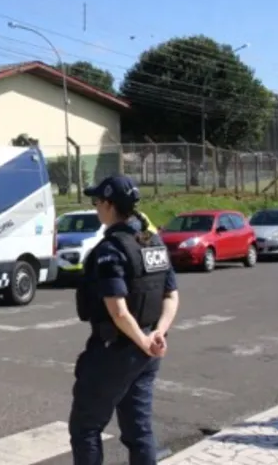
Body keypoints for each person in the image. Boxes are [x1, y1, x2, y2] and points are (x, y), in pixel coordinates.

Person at [68, 175, 180, 465]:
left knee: (85, 427)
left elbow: (117, 310)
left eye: (96, 202)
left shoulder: (111, 250)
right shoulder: (153, 242)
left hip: (115, 350)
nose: (95, 208)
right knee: (138, 429)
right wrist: (157, 335)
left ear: (108, 204)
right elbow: (171, 294)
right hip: (149, 350)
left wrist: (142, 340)